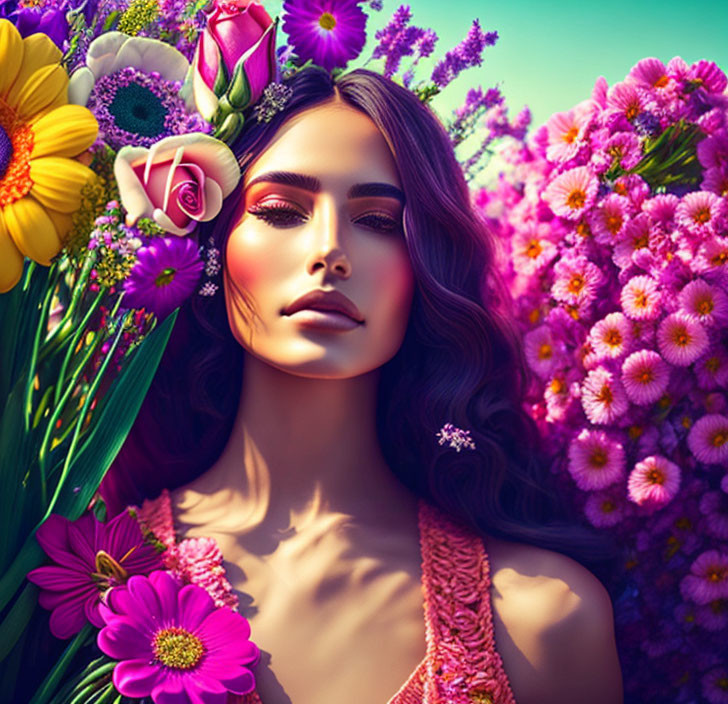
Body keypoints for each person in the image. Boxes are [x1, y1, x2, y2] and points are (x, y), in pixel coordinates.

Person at [99, 66, 624, 704]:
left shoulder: (542, 620)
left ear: (426, 267)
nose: (330, 250)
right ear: (212, 244)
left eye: (379, 222)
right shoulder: (98, 579)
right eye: (280, 211)